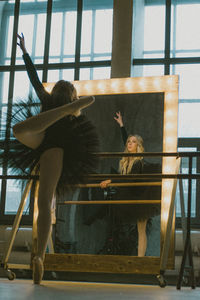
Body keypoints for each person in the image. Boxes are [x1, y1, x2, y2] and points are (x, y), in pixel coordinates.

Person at [9, 33, 99, 284]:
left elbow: (35, 78)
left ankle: (39, 257)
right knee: (45, 200)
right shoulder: (66, 107)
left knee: (45, 201)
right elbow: (35, 78)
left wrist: (25, 52)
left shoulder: (49, 100)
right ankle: (39, 256)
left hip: (51, 146)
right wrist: (25, 53)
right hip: (48, 143)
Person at [100, 111, 159, 257]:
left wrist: (111, 181)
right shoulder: (127, 159)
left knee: (141, 229)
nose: (130, 144)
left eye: (133, 142)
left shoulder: (138, 161)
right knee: (139, 229)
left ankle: (140, 259)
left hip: (141, 197)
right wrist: (121, 126)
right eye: (128, 142)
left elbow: (129, 180)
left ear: (138, 145)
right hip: (133, 195)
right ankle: (140, 258)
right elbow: (124, 140)